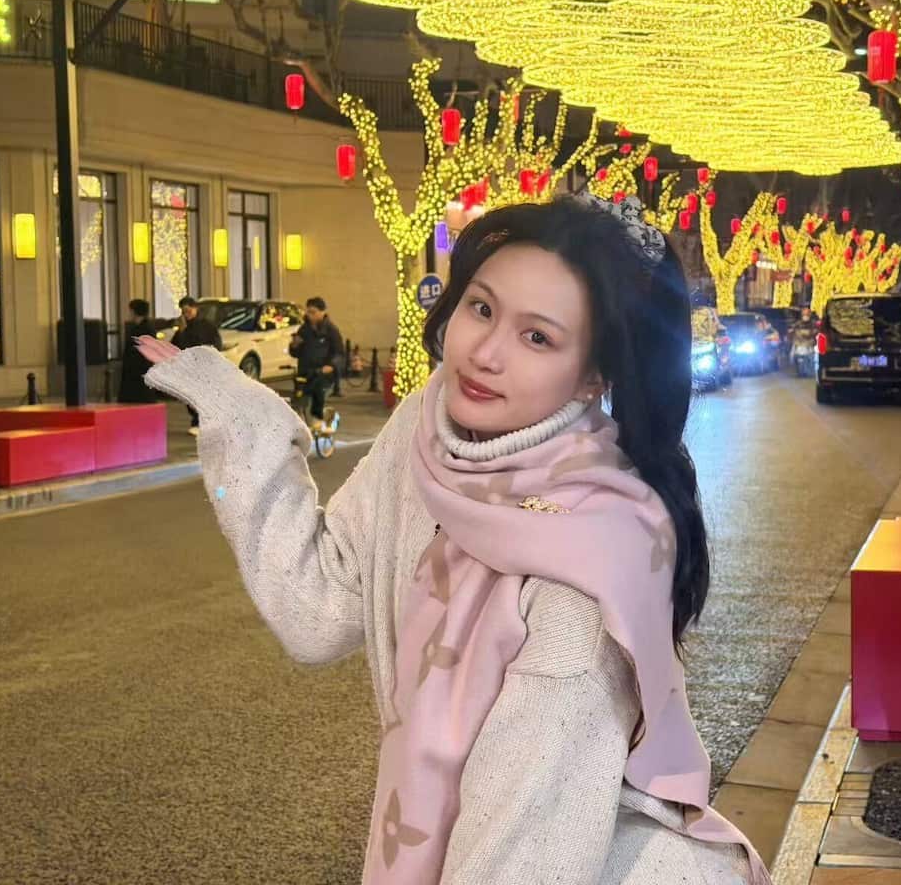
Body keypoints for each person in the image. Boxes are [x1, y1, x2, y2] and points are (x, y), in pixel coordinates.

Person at [136, 196, 768, 885]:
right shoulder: (428, 432)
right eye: (482, 307)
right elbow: (319, 609)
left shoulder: (581, 584)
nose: (485, 354)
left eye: (538, 338)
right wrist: (242, 419)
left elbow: (521, 861)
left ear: (593, 376)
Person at [288, 296, 345, 421]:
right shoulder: (304, 330)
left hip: (323, 375)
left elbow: (339, 353)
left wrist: (331, 366)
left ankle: (319, 425)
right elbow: (295, 353)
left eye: (313, 312)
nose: (310, 315)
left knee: (315, 401)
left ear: (322, 312)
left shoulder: (331, 330)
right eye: (308, 312)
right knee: (300, 403)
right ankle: (308, 427)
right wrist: (294, 345)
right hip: (305, 373)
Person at [171, 296, 222, 434]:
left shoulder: (206, 326)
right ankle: (198, 421)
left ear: (195, 309)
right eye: (183, 312)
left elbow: (215, 343)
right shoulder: (183, 328)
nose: (186, 315)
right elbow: (176, 347)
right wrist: (181, 332)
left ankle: (201, 422)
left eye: (188, 311)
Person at [119, 298, 158, 403]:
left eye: (130, 310)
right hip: (140, 374)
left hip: (138, 375)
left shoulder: (143, 330)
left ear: (134, 311)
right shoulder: (144, 328)